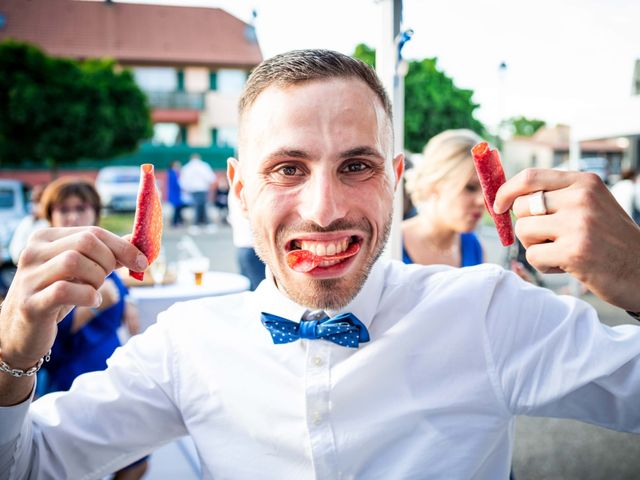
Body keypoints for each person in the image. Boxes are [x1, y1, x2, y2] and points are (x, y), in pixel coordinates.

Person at [1, 50, 640, 480]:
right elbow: (27, 463)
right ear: (240, 188)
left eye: (356, 166)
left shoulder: (488, 313)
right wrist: (10, 353)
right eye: (287, 168)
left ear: (394, 180)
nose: (325, 209)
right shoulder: (183, 348)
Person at [31, 178, 148, 480]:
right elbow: (47, 343)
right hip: (71, 379)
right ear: (50, 216)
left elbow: (116, 288)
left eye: (80, 208)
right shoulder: (45, 265)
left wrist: (128, 299)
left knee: (136, 459)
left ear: (95, 213)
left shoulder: (101, 255)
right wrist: (94, 305)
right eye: (63, 209)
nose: (72, 217)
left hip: (112, 373)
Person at [402, 129, 536, 282]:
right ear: (435, 185)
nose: (482, 201)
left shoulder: (473, 246)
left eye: (487, 192)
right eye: (470, 188)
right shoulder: (391, 244)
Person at [228, 191, 265, 290]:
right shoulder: (248, 190)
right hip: (253, 247)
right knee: (260, 289)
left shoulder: (235, 191)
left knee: (249, 289)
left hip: (242, 247)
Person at [8, 184, 48, 265]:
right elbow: (16, 252)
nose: (35, 206)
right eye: (34, 201)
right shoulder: (28, 222)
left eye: (39, 201)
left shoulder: (55, 222)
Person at [179, 153, 217, 227]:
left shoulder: (187, 167)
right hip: (203, 188)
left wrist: (186, 189)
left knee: (196, 206)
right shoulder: (203, 165)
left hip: (193, 190)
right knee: (204, 205)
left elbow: (183, 181)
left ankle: (196, 223)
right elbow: (210, 177)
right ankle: (205, 223)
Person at [166, 160, 186, 227]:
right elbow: (175, 184)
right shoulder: (171, 173)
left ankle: (178, 221)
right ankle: (175, 222)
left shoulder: (176, 173)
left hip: (177, 193)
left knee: (178, 208)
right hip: (174, 193)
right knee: (176, 208)